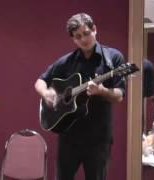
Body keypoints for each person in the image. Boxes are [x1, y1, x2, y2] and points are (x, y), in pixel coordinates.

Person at [34, 13, 125, 180]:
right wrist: (46, 93)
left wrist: (102, 91)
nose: (84, 39)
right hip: (69, 137)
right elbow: (40, 81)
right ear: (73, 40)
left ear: (95, 30)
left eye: (87, 33)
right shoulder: (66, 62)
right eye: (78, 36)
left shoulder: (112, 59)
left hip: (98, 138)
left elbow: (119, 95)